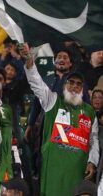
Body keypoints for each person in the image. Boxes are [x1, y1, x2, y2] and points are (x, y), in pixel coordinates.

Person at [19, 43, 99, 196]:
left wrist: (92, 161)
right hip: (53, 169)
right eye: (71, 82)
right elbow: (36, 83)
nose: (74, 87)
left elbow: (93, 139)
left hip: (77, 168)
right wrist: (29, 60)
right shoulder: (53, 102)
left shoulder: (89, 112)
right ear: (64, 86)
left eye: (78, 84)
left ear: (82, 88)